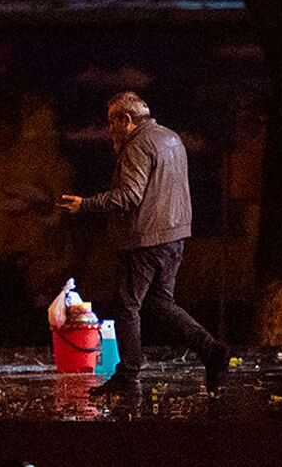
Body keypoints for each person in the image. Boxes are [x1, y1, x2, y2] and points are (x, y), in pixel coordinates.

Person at [58, 92, 230, 396]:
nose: (108, 129)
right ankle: (211, 350)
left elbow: (129, 196)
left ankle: (128, 373)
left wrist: (84, 205)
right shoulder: (171, 138)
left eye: (112, 122)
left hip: (146, 239)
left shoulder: (137, 145)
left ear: (127, 120)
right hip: (174, 236)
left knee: (127, 305)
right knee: (160, 303)